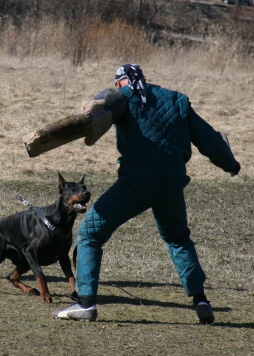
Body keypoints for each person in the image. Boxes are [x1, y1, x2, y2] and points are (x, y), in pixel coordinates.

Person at [52, 64, 240, 323]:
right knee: (178, 239)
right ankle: (201, 301)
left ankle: (85, 303)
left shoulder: (122, 98)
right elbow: (207, 138)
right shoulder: (177, 100)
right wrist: (230, 163)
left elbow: (91, 115)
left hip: (136, 184)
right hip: (171, 183)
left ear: (120, 83)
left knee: (89, 235)